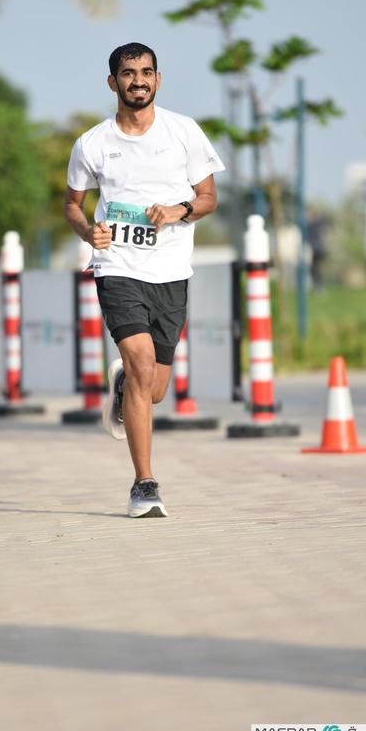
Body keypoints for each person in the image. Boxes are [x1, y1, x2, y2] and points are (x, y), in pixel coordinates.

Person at [66, 42, 225, 518]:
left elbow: (209, 197)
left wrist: (180, 210)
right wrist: (87, 232)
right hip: (117, 267)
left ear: (158, 79)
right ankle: (144, 484)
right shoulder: (92, 143)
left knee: (153, 389)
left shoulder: (184, 132)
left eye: (147, 72)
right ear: (112, 82)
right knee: (138, 364)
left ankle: (125, 389)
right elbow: (72, 205)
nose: (139, 80)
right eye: (129, 73)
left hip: (171, 272)